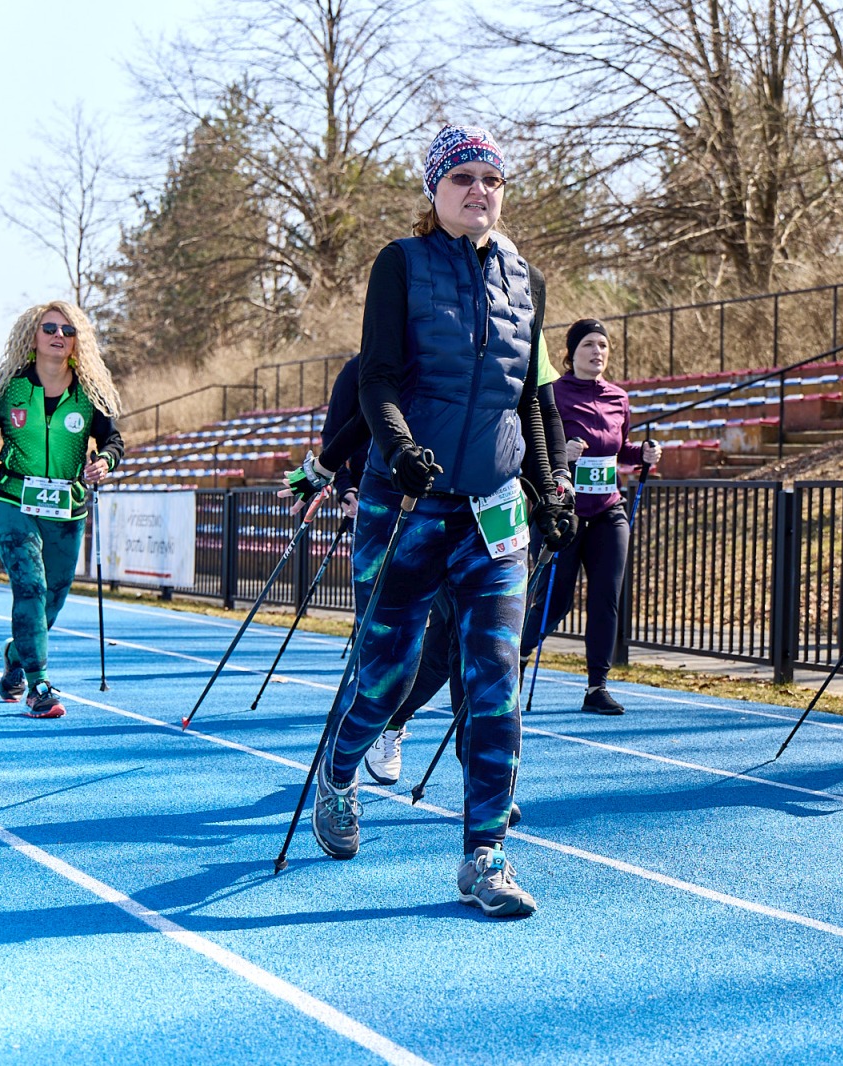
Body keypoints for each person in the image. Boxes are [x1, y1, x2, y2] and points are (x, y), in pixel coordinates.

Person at [306, 124, 574, 919]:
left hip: (493, 511)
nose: (479, 189)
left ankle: (485, 854)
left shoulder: (525, 278)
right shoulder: (401, 264)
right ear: (435, 189)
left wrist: (549, 488)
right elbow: (375, 380)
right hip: (405, 505)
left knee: (495, 682)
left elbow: (527, 399)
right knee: (386, 672)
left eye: (491, 177)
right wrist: (401, 447)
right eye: (463, 176)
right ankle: (341, 772)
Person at [0, 301, 124, 718]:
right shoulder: (10, 388)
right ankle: (39, 684)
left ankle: (17, 652)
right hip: (13, 500)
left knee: (53, 597)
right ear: (33, 336)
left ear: (76, 341)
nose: (58, 336)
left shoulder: (89, 394)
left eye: (67, 331)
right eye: (49, 328)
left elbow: (114, 442)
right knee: (29, 586)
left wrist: (105, 461)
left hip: (67, 509)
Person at [521, 319, 661, 716]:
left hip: (608, 511)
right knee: (556, 597)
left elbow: (620, 448)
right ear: (570, 353)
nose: (597, 352)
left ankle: (596, 686)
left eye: (603, 345)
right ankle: (518, 655)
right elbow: (536, 445)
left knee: (606, 596)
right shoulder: (555, 394)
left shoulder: (618, 396)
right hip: (563, 513)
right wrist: (562, 455)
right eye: (588, 345)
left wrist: (643, 454)